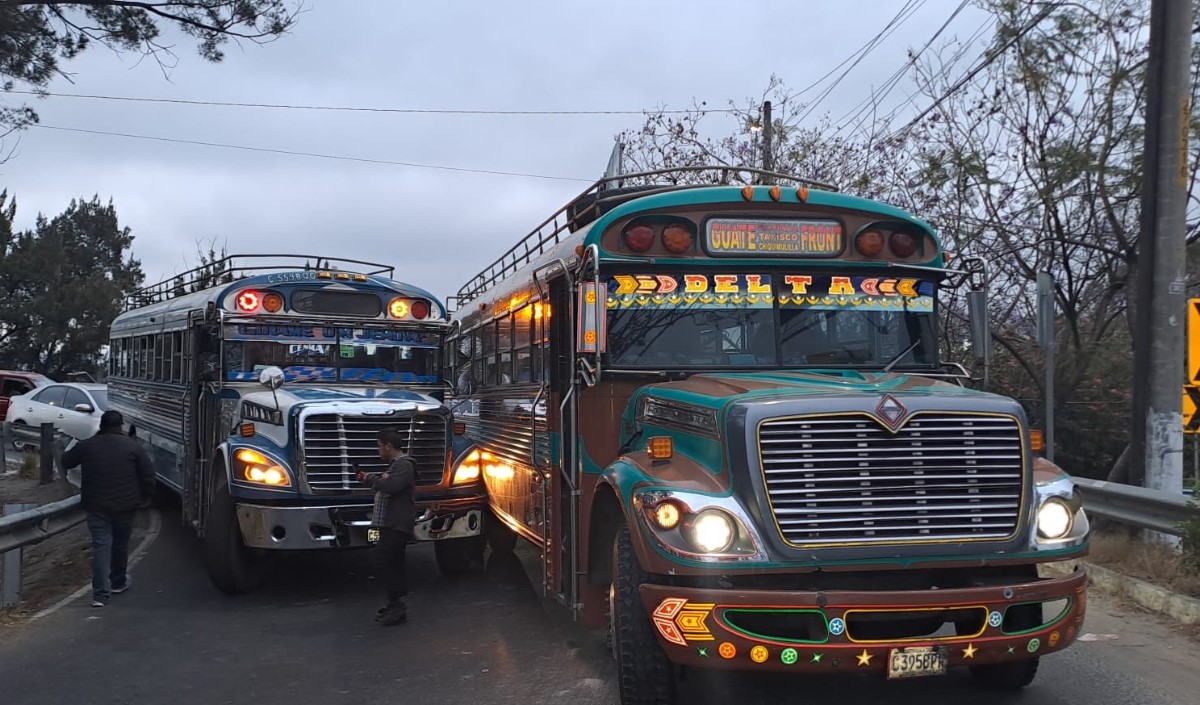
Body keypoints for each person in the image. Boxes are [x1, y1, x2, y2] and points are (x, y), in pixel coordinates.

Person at [61, 410, 155, 607]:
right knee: (120, 545)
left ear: (101, 426)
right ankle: (118, 581)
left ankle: (100, 594)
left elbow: (66, 461)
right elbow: (148, 474)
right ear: (120, 426)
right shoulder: (133, 447)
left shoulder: (87, 446)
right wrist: (145, 497)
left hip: (96, 505)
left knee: (101, 547)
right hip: (126, 505)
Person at [356, 428, 416, 626]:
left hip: (396, 526)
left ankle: (397, 604)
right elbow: (386, 484)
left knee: (385, 561)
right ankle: (395, 603)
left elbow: (391, 486)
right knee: (390, 562)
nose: (378, 451)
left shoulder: (404, 466)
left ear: (389, 446)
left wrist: (369, 478)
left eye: (380, 446)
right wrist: (378, 479)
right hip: (383, 525)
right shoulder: (393, 467)